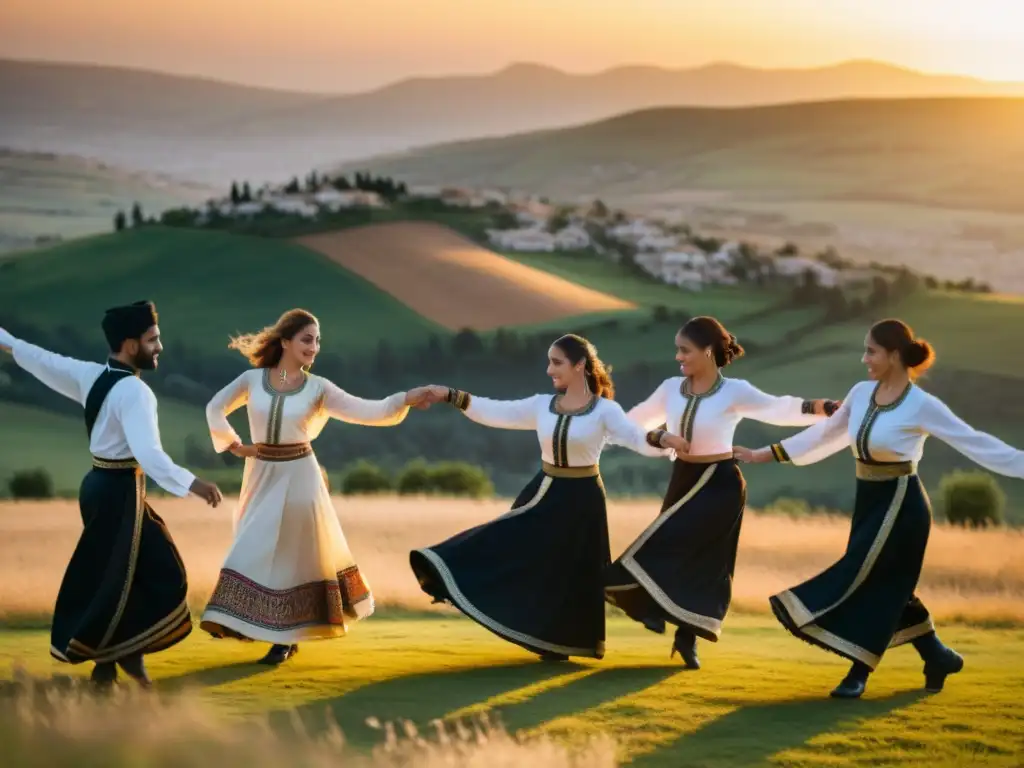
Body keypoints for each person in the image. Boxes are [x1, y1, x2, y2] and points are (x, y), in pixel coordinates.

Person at [735, 318, 1024, 698]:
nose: (864, 358)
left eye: (871, 351)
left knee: (866, 578)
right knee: (892, 588)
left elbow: (975, 441)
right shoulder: (860, 393)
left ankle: (859, 672)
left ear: (894, 354)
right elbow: (826, 434)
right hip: (869, 501)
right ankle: (938, 656)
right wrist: (763, 454)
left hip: (902, 506)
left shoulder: (922, 404)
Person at [408, 334, 689, 661]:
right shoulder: (542, 405)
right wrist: (449, 395)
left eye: (556, 362)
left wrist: (663, 437)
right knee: (512, 550)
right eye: (549, 361)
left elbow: (635, 437)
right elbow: (495, 411)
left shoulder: (604, 411)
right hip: (543, 493)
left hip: (583, 500)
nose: (548, 369)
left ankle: (611, 619)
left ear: (579, 365)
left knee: (578, 575)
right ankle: (536, 631)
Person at [0, 303, 223, 688]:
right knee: (163, 575)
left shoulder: (91, 375)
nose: (159, 347)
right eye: (152, 340)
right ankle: (122, 658)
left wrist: (4, 341)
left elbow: (35, 356)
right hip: (119, 492)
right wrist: (194, 484)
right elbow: (149, 454)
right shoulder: (135, 392)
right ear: (129, 343)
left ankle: (110, 665)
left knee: (121, 578)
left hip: (99, 487)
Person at [199, 309, 432, 665]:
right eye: (307, 339)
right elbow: (215, 407)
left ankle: (283, 640)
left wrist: (405, 399)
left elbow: (369, 411)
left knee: (295, 560)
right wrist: (234, 445)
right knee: (250, 547)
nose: (314, 347)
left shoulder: (319, 388)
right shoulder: (251, 379)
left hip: (301, 477)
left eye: (318, 340)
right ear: (285, 342)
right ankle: (243, 623)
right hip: (260, 474)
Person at [605, 316, 839, 669]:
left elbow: (780, 407)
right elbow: (631, 423)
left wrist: (820, 408)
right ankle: (646, 608)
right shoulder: (671, 388)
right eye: (677, 350)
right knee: (662, 543)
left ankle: (686, 638)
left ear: (708, 351)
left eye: (685, 350)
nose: (678, 357)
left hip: (721, 484)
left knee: (706, 564)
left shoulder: (735, 391)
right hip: (683, 479)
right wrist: (660, 437)